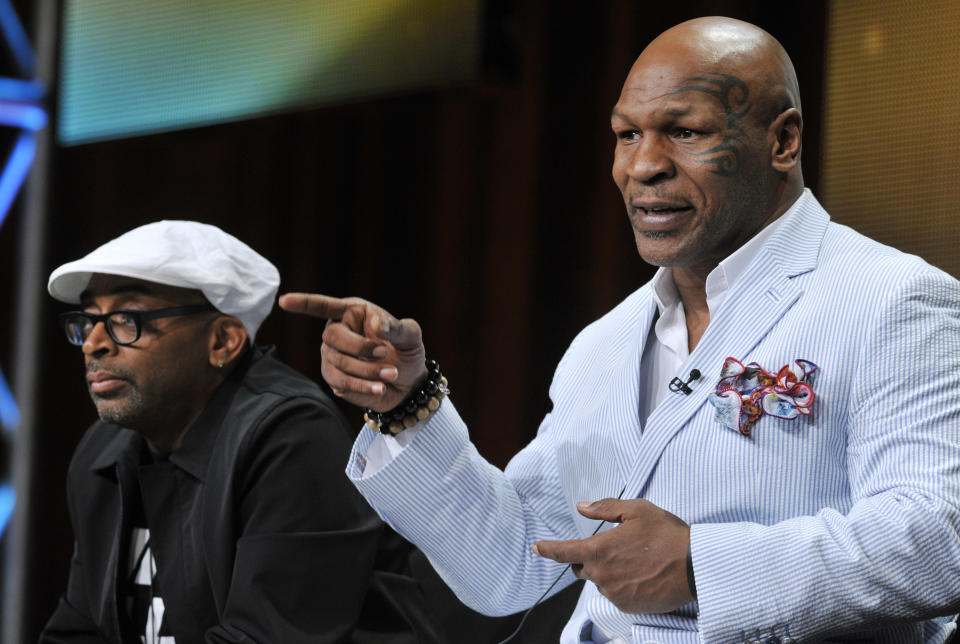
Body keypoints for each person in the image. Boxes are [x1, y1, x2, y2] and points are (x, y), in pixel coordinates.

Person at [279, 16, 960, 644]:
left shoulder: (891, 300)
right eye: (627, 133)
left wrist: (702, 566)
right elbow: (512, 562)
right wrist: (408, 406)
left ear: (782, 140)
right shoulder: (603, 345)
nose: (641, 166)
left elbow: (941, 538)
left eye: (684, 131)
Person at [40, 221, 442, 643]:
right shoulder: (103, 453)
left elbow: (266, 636)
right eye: (88, 321)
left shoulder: (290, 437)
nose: (93, 343)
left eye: (126, 319)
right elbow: (78, 629)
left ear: (223, 342)